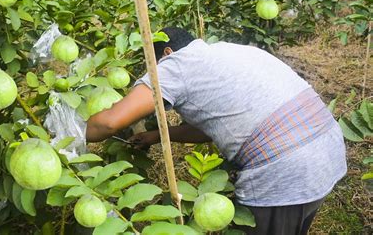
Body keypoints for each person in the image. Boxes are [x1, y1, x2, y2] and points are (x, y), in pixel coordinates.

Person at [85, 27, 347, 235]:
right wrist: (156, 136)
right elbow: (214, 128)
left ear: (166, 53)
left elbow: (109, 122)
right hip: (326, 151)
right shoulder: (234, 52)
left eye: (151, 65)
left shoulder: (176, 64)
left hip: (285, 170)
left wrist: (65, 136)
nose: (152, 73)